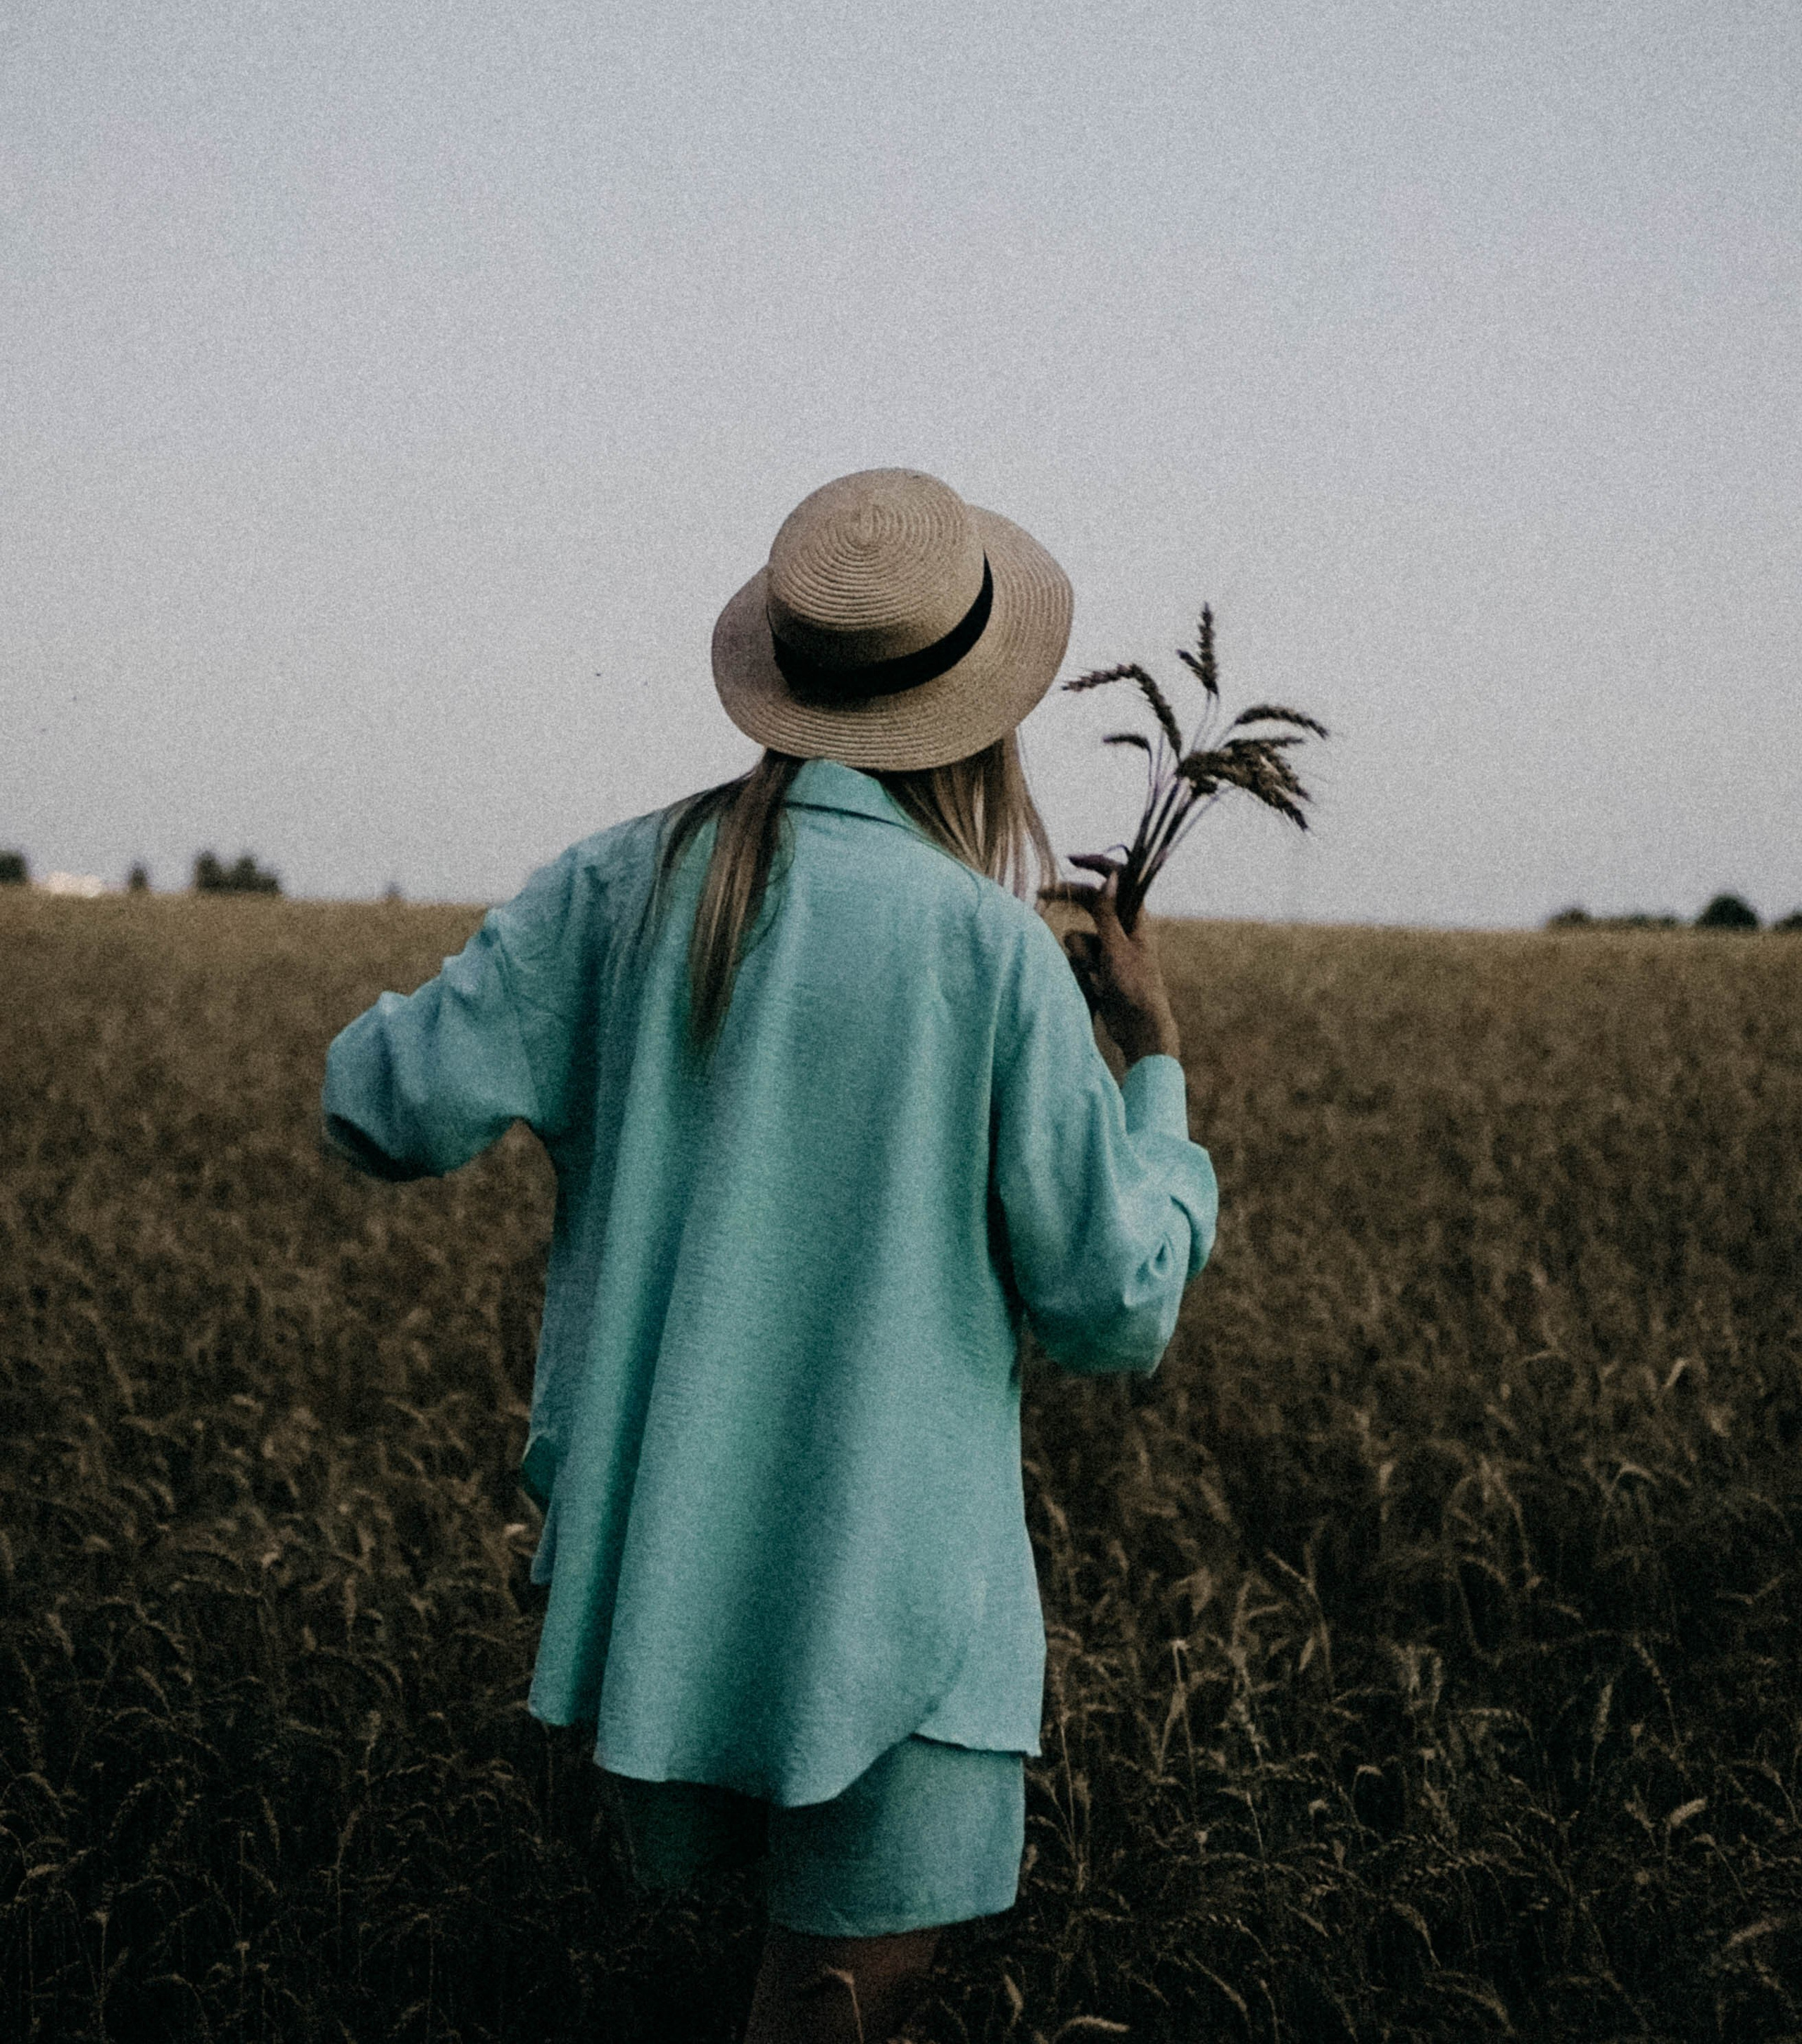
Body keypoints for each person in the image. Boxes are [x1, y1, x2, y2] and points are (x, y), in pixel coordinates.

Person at [321, 467, 1218, 2044]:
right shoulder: (993, 955)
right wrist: (1151, 1071)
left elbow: (373, 1107)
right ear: (980, 712)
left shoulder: (616, 885)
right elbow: (1114, 1304)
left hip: (664, 1605)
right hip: (906, 1621)